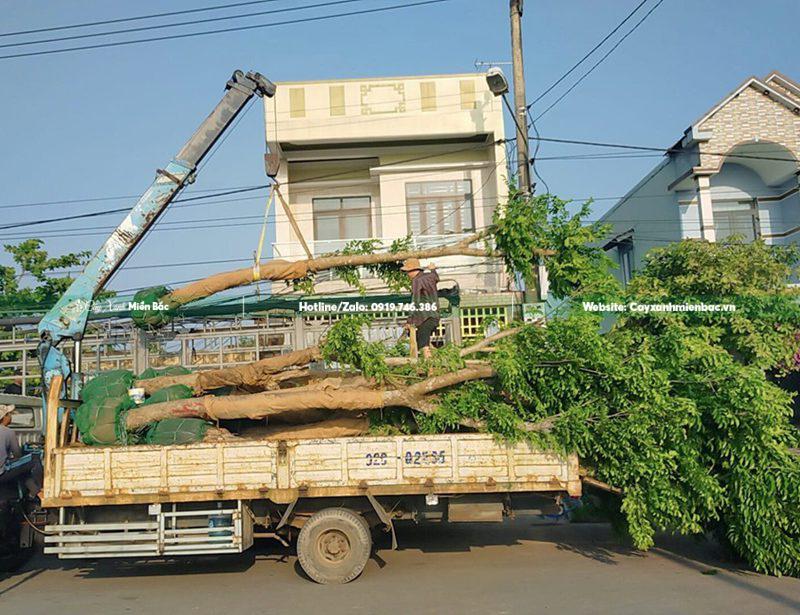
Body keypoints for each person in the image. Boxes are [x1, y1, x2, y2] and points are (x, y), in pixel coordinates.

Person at [0, 405, 43, 499]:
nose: (11, 416)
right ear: (4, 417)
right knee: (35, 460)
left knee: (20, 470)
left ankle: (33, 492)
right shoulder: (8, 432)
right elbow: (17, 454)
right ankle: (39, 490)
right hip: (2, 473)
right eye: (9, 414)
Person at [401, 258, 440, 360]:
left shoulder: (417, 281)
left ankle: (430, 365)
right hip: (434, 316)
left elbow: (415, 302)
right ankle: (437, 359)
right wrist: (433, 269)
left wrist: (409, 321)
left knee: (423, 344)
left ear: (413, 270)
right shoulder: (430, 276)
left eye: (407, 272)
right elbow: (436, 277)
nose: (407, 274)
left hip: (425, 317)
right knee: (422, 340)